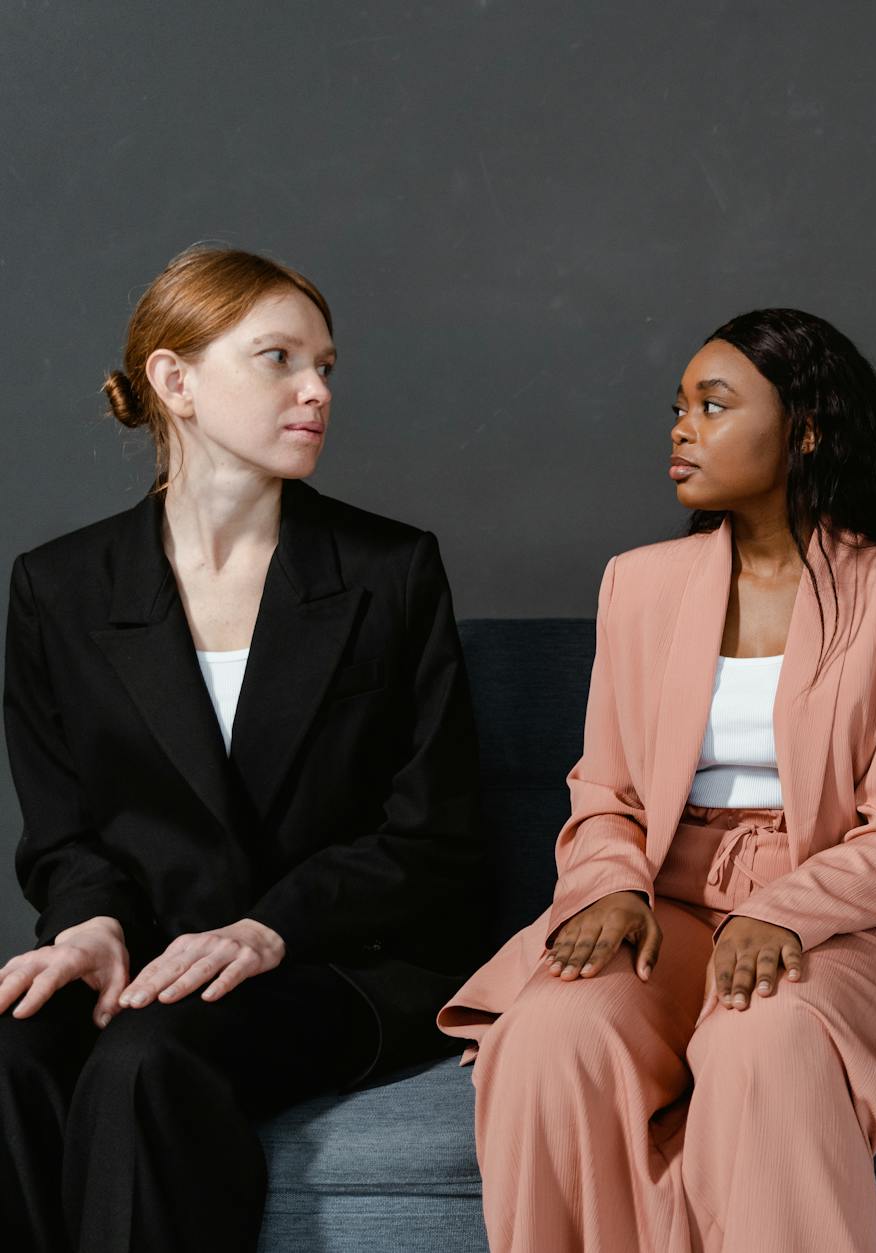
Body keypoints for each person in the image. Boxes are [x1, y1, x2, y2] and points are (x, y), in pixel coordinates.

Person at [440, 307, 876, 1252]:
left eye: (713, 404)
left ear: (804, 429)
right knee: (548, 1037)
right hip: (669, 896)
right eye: (679, 406)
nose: (681, 427)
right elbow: (605, 791)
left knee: (759, 1037)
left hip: (847, 912)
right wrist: (611, 888)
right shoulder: (639, 584)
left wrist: (783, 912)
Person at [0, 245, 482, 1252]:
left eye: (326, 366)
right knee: (11, 1048)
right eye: (278, 358)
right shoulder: (59, 588)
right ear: (174, 381)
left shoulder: (389, 572)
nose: (316, 390)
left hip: (343, 960)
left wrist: (267, 928)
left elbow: (430, 837)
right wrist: (89, 927)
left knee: (146, 1059)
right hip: (154, 952)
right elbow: (64, 834)